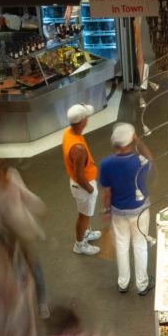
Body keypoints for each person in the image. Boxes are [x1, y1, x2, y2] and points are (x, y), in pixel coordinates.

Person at [0, 160, 50, 318]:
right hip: (4, 233)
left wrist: (38, 206)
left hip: (22, 228)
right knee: (16, 268)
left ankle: (42, 302)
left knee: (34, 265)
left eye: (0, 168)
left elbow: (25, 194)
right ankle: (24, 302)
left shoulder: (13, 176)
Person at [99, 123, 154, 295]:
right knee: (140, 245)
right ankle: (142, 284)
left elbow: (107, 193)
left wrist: (107, 211)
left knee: (122, 246)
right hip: (140, 210)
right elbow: (151, 158)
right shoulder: (138, 161)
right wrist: (139, 141)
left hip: (118, 211)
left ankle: (123, 283)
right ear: (130, 141)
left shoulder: (106, 164)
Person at [62, 103, 103, 256]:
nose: (88, 119)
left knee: (84, 214)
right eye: (86, 117)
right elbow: (80, 177)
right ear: (82, 121)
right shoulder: (78, 149)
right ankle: (79, 244)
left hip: (80, 184)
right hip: (83, 186)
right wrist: (91, 190)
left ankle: (85, 233)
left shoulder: (68, 132)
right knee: (84, 216)